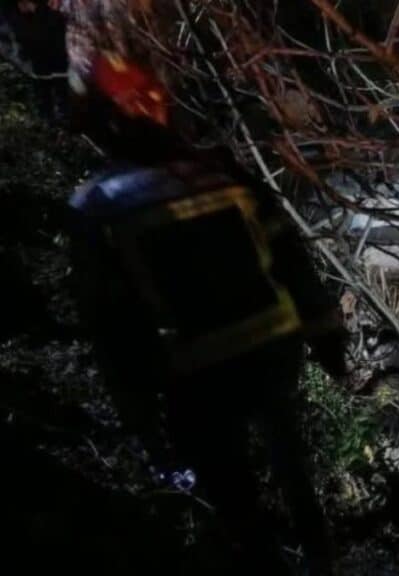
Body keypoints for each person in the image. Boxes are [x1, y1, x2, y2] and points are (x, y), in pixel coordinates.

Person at [67, 51, 347, 574]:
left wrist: (144, 425)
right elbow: (290, 254)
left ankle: (273, 559)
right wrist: (327, 336)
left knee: (240, 503)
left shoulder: (98, 203)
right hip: (271, 350)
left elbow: (110, 327)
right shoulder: (222, 172)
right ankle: (319, 559)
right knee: (295, 477)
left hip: (198, 374)